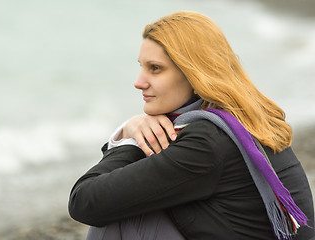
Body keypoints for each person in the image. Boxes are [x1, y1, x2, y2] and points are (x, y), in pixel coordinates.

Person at [68, 11, 314, 239]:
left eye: (155, 69)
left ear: (195, 73)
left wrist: (128, 139)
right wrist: (131, 128)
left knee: (115, 218)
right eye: (141, 66)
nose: (139, 82)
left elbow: (84, 201)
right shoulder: (242, 117)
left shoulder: (208, 140)